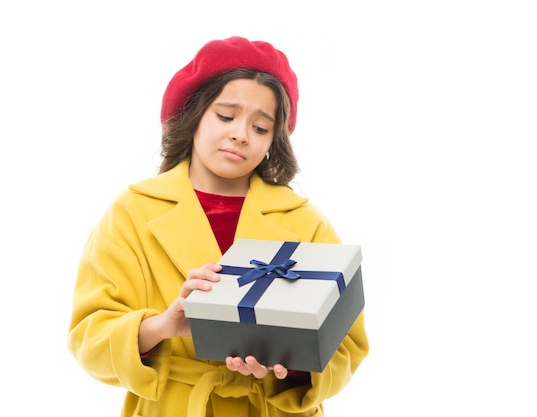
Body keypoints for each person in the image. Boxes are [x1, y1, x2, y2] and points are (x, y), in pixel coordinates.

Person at [68, 36, 369, 417]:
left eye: (260, 128)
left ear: (273, 141)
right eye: (225, 116)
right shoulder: (133, 213)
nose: (241, 134)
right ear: (193, 116)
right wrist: (161, 325)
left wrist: (287, 366)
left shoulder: (304, 221)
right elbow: (88, 337)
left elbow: (348, 344)